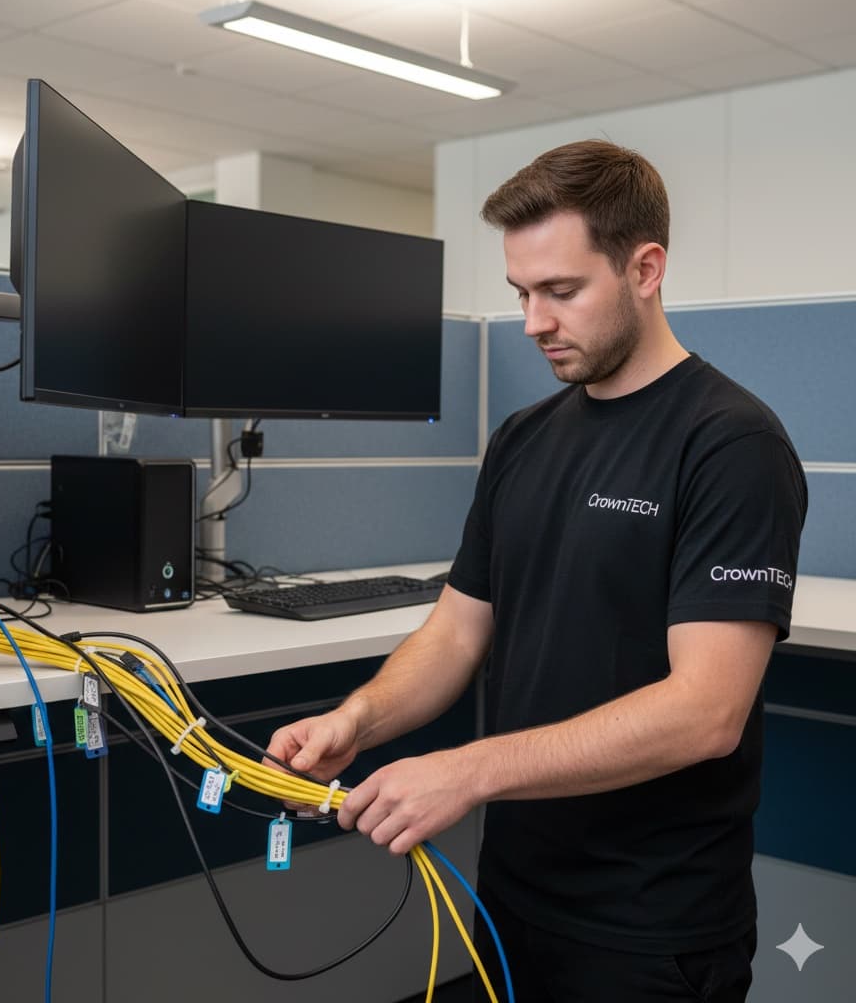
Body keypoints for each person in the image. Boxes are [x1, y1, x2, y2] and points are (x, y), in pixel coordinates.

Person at [265, 139, 807, 1002]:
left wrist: (468, 771)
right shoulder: (523, 437)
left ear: (646, 268)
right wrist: (357, 720)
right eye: (521, 293)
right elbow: (456, 628)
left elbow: (707, 711)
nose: (533, 323)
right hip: (516, 896)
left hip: (650, 927)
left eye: (562, 291)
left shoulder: (730, 443)